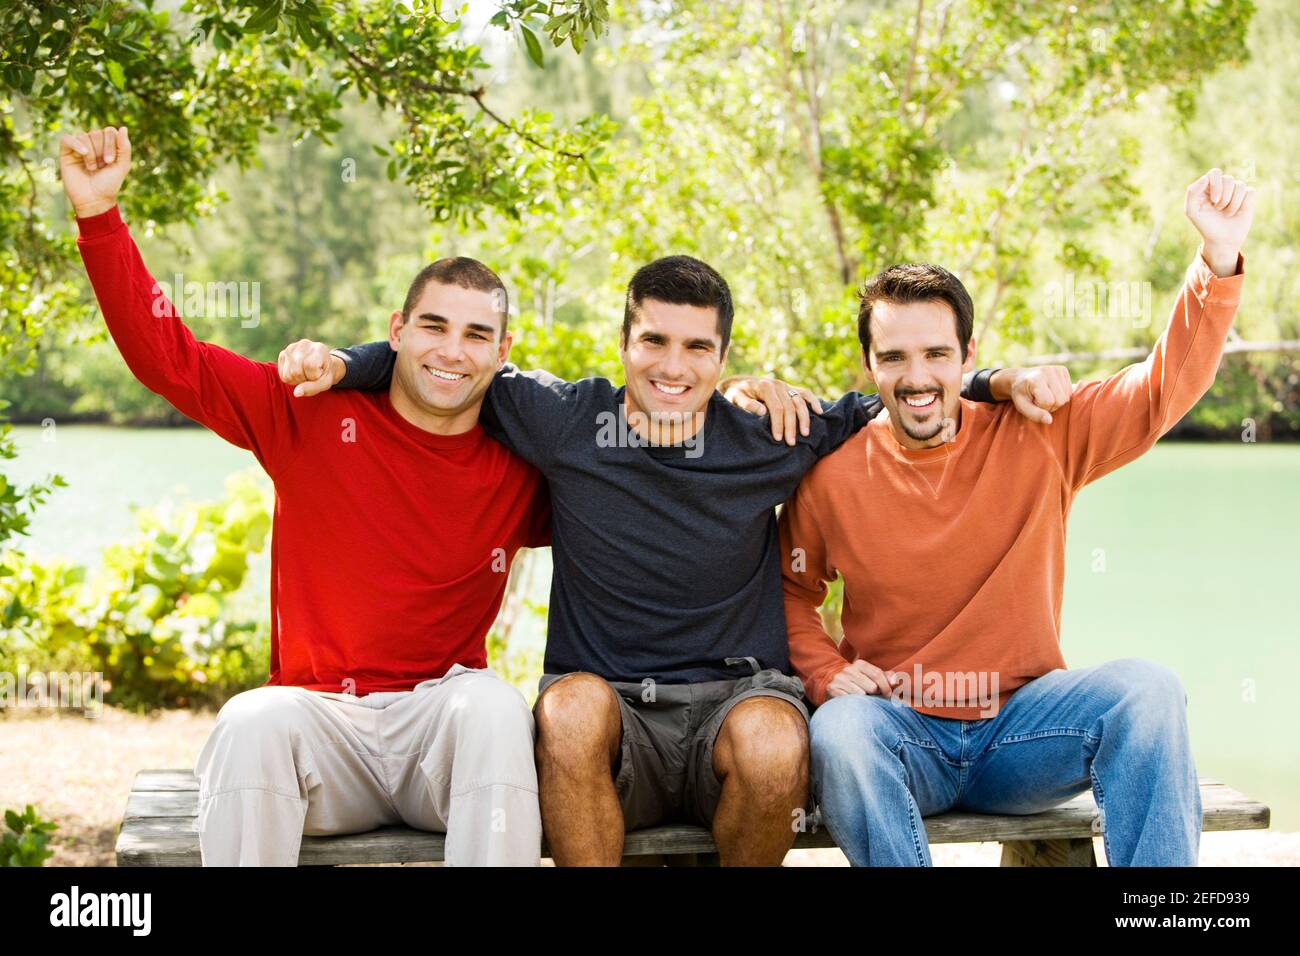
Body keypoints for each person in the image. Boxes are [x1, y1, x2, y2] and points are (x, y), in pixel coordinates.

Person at [278, 256, 1066, 864]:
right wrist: (347, 364)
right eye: (653, 340)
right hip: (611, 705)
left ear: (724, 358)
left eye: (697, 347)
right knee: (566, 711)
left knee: (775, 744)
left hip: (737, 695)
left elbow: (906, 392)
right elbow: (446, 362)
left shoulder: (770, 432)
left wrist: (999, 377)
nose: (673, 366)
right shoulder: (562, 420)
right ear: (623, 341)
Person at [60, 125, 550, 866]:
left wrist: (735, 399)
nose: (453, 351)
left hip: (439, 744)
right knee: (249, 720)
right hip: (320, 734)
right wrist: (99, 219)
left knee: (493, 705)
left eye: (478, 334)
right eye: (435, 326)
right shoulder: (309, 408)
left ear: (503, 351)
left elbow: (642, 476)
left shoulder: (521, 465)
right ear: (397, 331)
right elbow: (170, 360)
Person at [780, 168, 1254, 866]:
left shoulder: (1040, 430)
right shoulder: (832, 476)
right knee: (841, 730)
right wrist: (824, 671)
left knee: (1149, 691)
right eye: (895, 358)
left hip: (1027, 733)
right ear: (868, 365)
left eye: (937, 354)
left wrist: (1215, 263)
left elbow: (1160, 390)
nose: (917, 378)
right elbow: (792, 592)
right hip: (904, 735)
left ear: (969, 355)